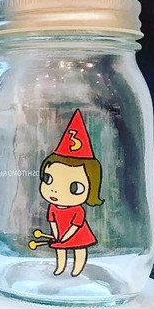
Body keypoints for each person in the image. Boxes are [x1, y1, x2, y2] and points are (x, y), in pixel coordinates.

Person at [38, 109, 104, 277]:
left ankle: (77, 268)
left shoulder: (77, 210)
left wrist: (64, 237)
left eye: (74, 187)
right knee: (60, 249)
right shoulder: (53, 207)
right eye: (48, 179)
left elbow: (75, 225)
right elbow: (52, 221)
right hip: (61, 233)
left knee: (79, 248)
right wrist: (57, 235)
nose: (55, 190)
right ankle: (60, 267)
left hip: (77, 233)